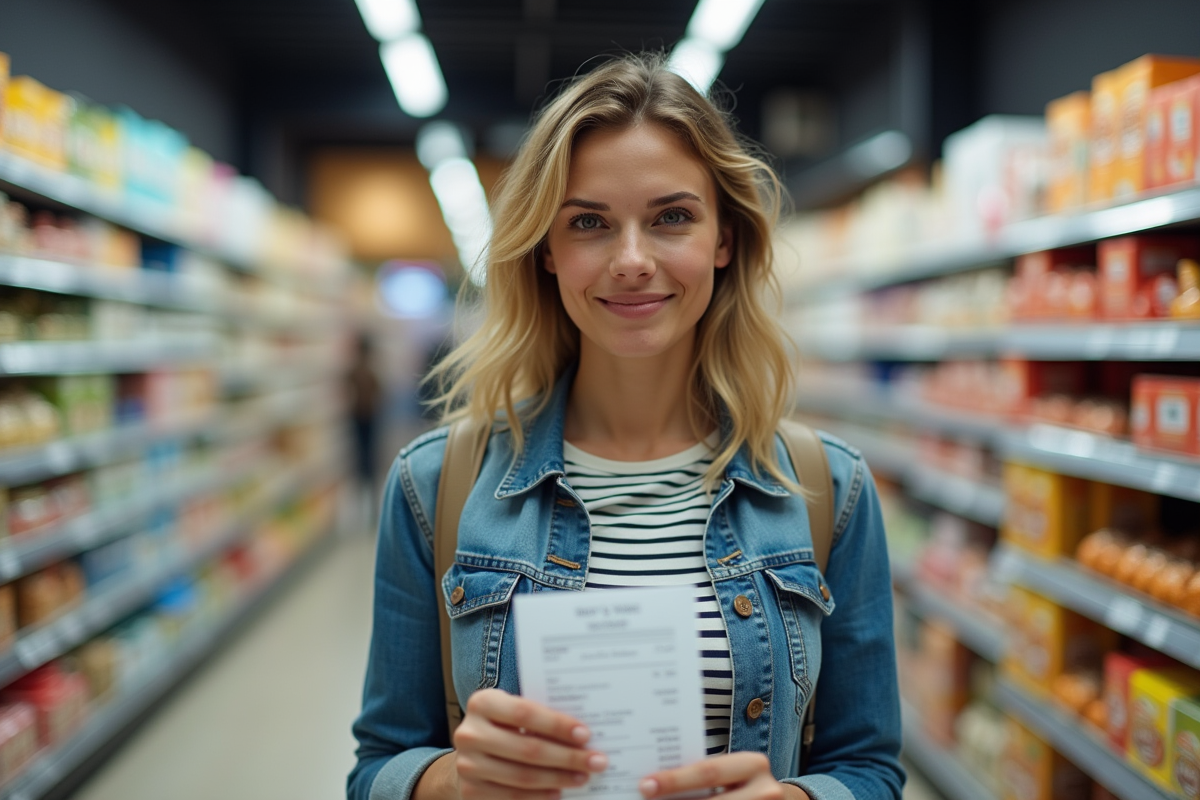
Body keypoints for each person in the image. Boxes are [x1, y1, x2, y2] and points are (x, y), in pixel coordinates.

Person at [349, 53, 904, 800]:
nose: (633, 260)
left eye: (672, 217)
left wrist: (797, 798)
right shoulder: (436, 486)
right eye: (589, 223)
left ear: (724, 239)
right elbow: (378, 765)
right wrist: (450, 780)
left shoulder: (823, 488)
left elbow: (870, 769)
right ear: (547, 250)